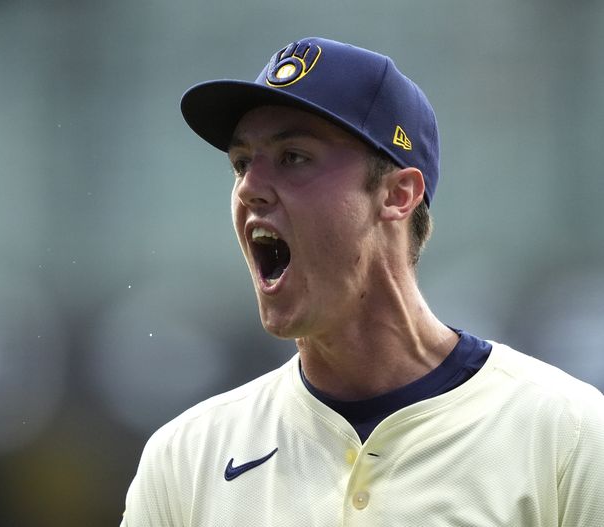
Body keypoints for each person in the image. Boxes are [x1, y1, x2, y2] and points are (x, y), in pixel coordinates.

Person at [120, 37, 604, 526]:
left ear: (398, 195)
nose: (248, 188)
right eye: (242, 163)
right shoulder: (185, 461)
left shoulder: (568, 433)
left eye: (293, 157)